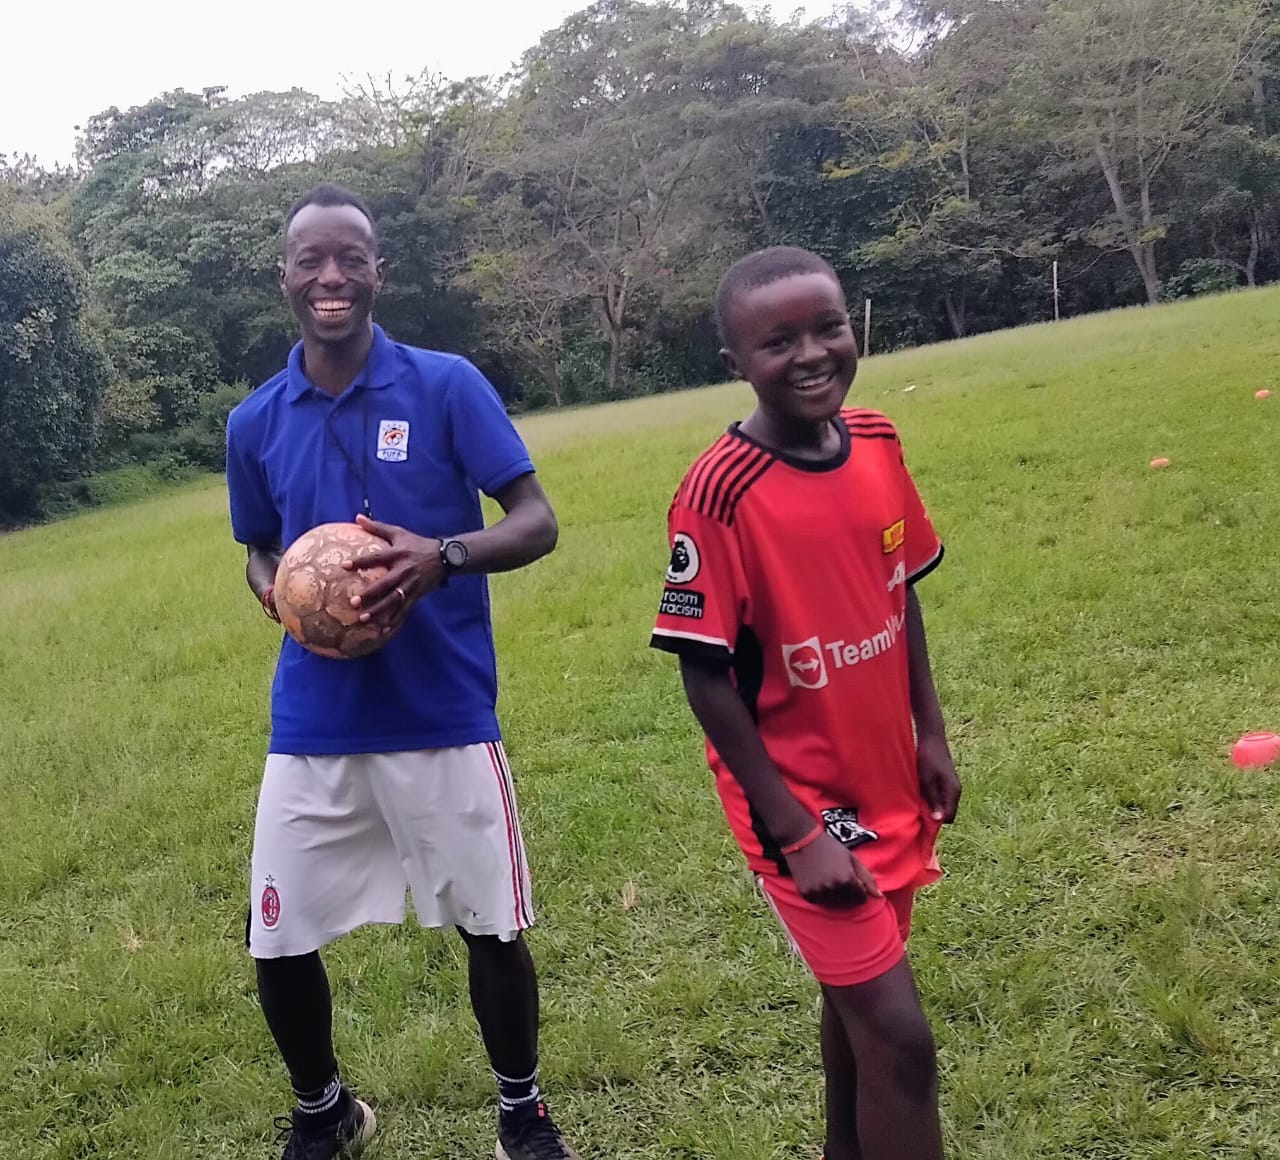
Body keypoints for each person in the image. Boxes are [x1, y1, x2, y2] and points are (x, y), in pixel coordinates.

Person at [225, 183, 580, 1160]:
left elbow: (534, 517)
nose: (331, 276)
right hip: (313, 717)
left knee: (489, 924)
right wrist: (281, 590)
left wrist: (441, 556)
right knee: (278, 932)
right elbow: (256, 546)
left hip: (441, 704)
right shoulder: (253, 421)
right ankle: (324, 1108)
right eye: (311, 260)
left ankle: (521, 1111)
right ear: (285, 276)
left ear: (379, 270)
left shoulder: (444, 383)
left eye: (351, 257)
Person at [650, 246, 961, 1160]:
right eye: (777, 341)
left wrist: (930, 733)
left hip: (889, 778)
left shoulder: (876, 441)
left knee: (857, 1012)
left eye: (827, 326)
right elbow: (704, 675)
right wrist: (794, 831)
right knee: (902, 1043)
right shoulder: (717, 495)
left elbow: (898, 592)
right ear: (734, 364)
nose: (813, 352)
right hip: (803, 808)